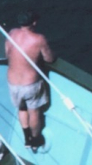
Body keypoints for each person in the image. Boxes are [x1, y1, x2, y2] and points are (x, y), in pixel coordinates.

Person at [5, 11, 55, 152]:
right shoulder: (38, 39)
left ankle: (26, 138)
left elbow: (7, 53)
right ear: (34, 23)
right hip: (30, 84)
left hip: (13, 82)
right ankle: (35, 140)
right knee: (34, 112)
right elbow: (49, 58)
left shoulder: (12, 33)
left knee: (22, 108)